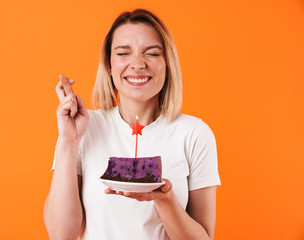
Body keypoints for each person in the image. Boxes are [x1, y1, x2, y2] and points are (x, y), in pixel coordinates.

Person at [44, 9, 221, 240]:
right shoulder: (84, 127)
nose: (137, 64)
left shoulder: (195, 134)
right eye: (123, 53)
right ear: (109, 64)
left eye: (152, 53)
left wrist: (164, 197)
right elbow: (61, 235)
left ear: (167, 65)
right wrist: (68, 141)